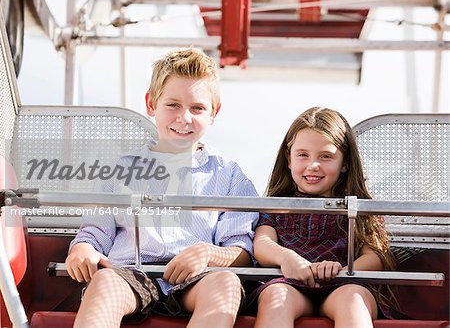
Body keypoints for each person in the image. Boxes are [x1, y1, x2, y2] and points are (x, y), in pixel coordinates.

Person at [65, 48, 258, 328]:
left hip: (198, 278)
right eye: (173, 105)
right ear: (151, 103)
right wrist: (82, 248)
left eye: (197, 108)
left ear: (214, 112)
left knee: (226, 284)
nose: (185, 118)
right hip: (130, 272)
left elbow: (240, 249)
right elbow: (96, 231)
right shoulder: (120, 170)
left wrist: (209, 253)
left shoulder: (229, 175)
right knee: (104, 281)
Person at [251, 107, 395, 328]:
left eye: (326, 156)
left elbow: (375, 256)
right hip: (290, 284)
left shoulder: (360, 208)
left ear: (345, 162)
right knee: (276, 297)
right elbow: (262, 243)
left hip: (343, 285)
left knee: (353, 299)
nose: (313, 165)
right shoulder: (277, 205)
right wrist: (287, 259)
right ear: (289, 159)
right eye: (302, 155)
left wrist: (341, 270)